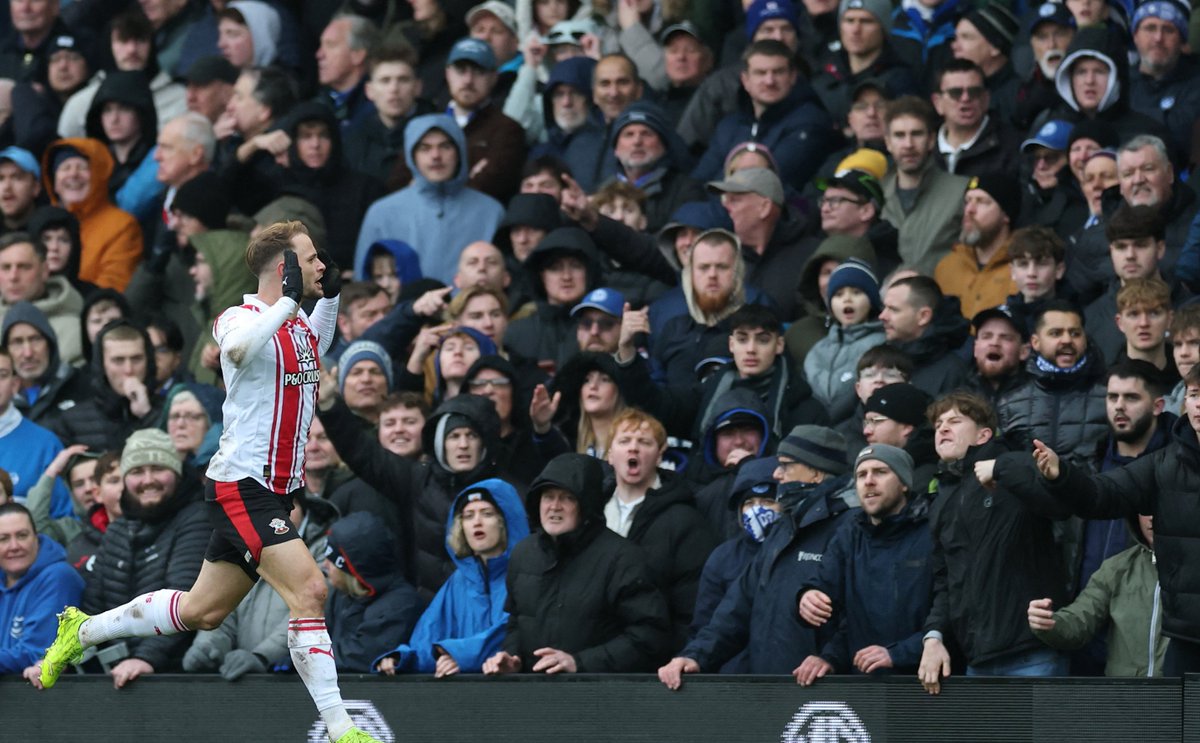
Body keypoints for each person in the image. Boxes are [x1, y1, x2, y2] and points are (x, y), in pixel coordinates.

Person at [30, 223, 386, 743]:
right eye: (310, 260)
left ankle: (82, 630)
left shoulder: (298, 327)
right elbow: (237, 354)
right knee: (310, 590)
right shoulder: (238, 317)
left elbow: (314, 345)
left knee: (202, 611)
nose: (320, 266)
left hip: (273, 492)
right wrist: (288, 303)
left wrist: (327, 297)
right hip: (241, 485)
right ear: (284, 270)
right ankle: (342, 729)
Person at [985, 361, 1200, 675]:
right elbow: (1104, 496)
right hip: (1185, 634)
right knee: (1181, 724)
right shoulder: (1165, 464)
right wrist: (1062, 476)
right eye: (1194, 394)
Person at [657, 425, 856, 685]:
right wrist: (696, 656)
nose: (777, 474)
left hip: (827, 698)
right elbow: (738, 607)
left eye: (786, 466)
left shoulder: (853, 528)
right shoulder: (783, 529)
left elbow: (866, 614)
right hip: (768, 689)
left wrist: (832, 657)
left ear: (816, 472)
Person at [918, 392, 1070, 694]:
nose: (943, 428)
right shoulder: (942, 498)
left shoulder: (1015, 469)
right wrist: (933, 637)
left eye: (955, 421)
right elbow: (945, 580)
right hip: (978, 660)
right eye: (938, 424)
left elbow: (1061, 506)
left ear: (983, 434)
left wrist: (1001, 468)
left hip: (1033, 652)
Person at [483, 453, 671, 675]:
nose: (554, 506)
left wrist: (580, 663)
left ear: (587, 505)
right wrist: (513, 658)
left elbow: (650, 635)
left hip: (599, 700)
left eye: (567, 498)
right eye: (548, 496)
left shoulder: (623, 558)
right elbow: (516, 621)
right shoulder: (523, 554)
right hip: (534, 699)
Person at [794, 444, 932, 685]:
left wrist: (898, 654)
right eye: (861, 475)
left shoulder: (932, 532)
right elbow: (832, 599)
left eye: (880, 472)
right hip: (866, 689)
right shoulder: (849, 534)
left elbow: (951, 615)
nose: (868, 481)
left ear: (904, 483)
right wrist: (807, 597)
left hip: (927, 685)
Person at [375, 479, 530, 676]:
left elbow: (510, 633)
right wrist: (403, 659)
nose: (477, 522)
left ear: (506, 521)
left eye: (487, 513)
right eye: (468, 516)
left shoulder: (526, 573)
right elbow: (428, 638)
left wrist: (459, 655)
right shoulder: (459, 581)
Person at [603, 409, 718, 651]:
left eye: (644, 442)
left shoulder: (684, 520)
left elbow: (692, 606)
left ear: (659, 455)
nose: (633, 448)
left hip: (656, 663)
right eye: (624, 441)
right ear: (609, 455)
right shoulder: (590, 512)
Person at [354, 114, 504, 285]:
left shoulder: (491, 211)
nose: (436, 155)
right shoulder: (382, 213)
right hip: (404, 311)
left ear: (460, 151)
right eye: (425, 148)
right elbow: (364, 286)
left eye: (445, 146)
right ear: (412, 156)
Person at [1027, 512, 1168, 676]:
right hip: (1125, 695)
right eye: (1145, 509)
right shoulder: (1117, 567)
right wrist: (1050, 623)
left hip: (1185, 695)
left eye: (1158, 508)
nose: (1151, 517)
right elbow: (1081, 617)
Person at [321, 512, 421, 673]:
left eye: (332, 560)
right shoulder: (340, 594)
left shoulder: (401, 604)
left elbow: (362, 654)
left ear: (352, 569)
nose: (324, 565)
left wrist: (308, 659)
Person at [880, 96, 970, 274]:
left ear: (931, 140)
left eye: (916, 134)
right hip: (885, 298)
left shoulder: (961, 191)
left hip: (942, 296)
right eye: (899, 135)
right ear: (888, 143)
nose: (908, 144)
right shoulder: (874, 195)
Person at [40, 137, 142, 292]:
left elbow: (113, 287)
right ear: (53, 180)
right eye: (65, 168)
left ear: (99, 175)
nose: (73, 174)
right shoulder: (40, 221)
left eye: (82, 167)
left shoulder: (122, 226)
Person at [0, 502, 84, 674]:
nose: (14, 546)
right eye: (3, 539)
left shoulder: (59, 577)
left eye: (22, 535)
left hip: (48, 697)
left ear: (36, 538)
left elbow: (38, 650)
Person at [803, 258, 884, 424]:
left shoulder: (882, 344)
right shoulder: (817, 350)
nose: (847, 299)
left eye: (856, 292)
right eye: (839, 294)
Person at [933, 173, 1019, 320]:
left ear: (1006, 214)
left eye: (982, 202)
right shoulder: (947, 266)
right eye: (967, 201)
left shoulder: (1024, 269)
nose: (969, 210)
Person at [878, 275, 970, 398]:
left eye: (893, 310)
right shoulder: (881, 357)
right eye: (884, 307)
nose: (882, 316)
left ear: (923, 316)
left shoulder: (952, 371)